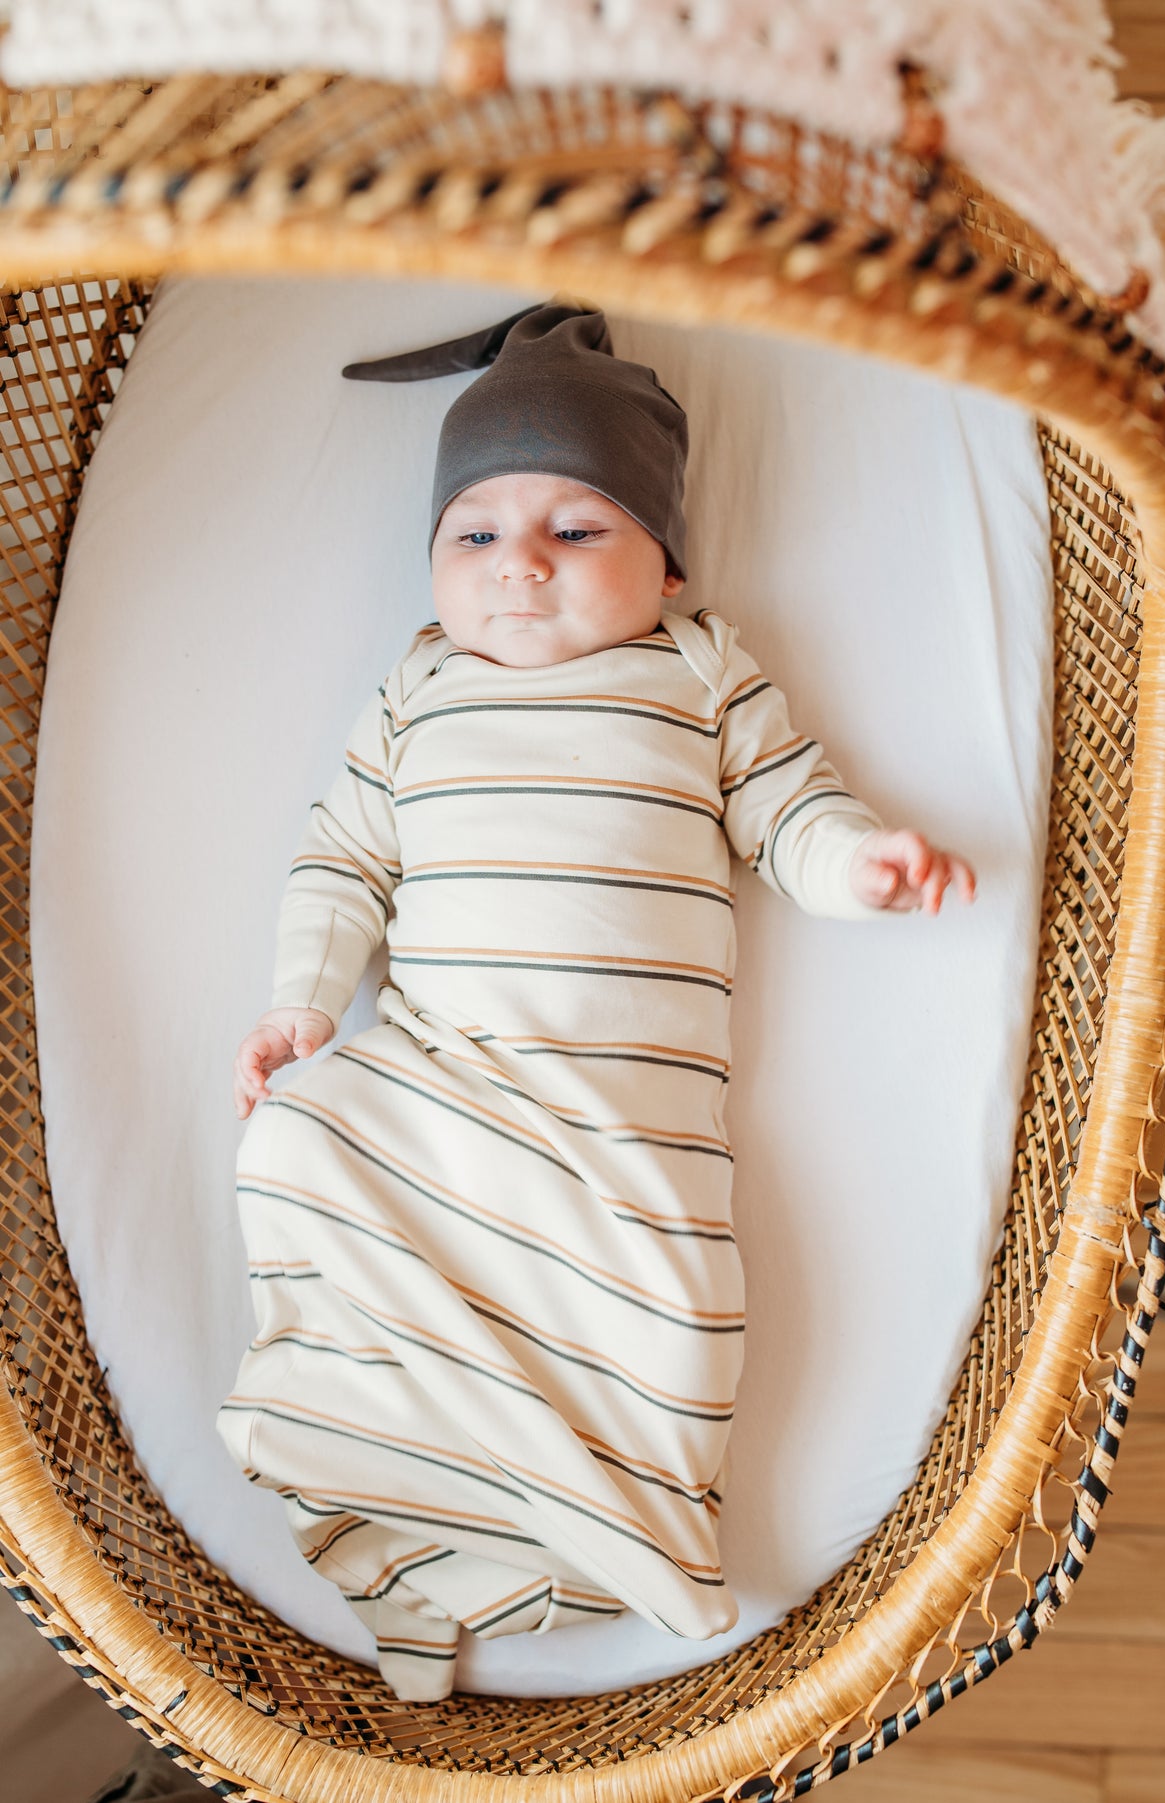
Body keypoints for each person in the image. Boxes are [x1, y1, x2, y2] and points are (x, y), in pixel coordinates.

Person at [217, 299, 975, 1702]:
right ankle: (434, 1470)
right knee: (294, 1140)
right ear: (432, 565)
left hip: (627, 1131)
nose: (520, 573)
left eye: (578, 530)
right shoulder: (418, 690)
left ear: (670, 563)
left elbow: (790, 809)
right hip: (444, 1084)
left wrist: (865, 862)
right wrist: (302, 1006)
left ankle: (608, 1518)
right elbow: (342, 859)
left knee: (678, 1329)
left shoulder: (697, 674)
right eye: (475, 536)